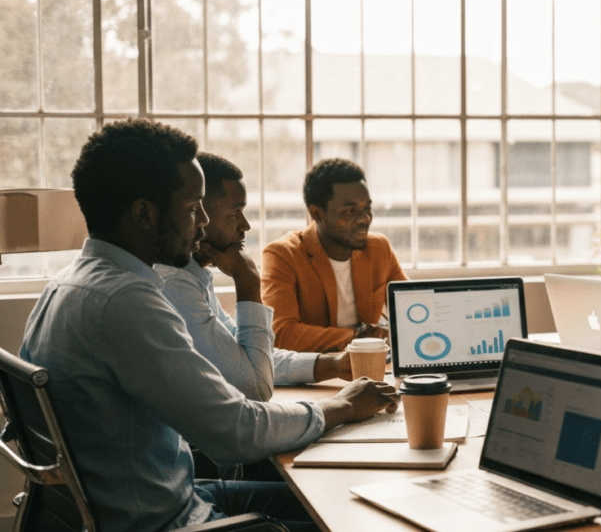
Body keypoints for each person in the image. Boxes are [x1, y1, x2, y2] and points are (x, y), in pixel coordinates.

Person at [20, 119, 399, 532]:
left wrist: (329, 373)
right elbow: (236, 433)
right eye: (192, 207)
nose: (202, 222)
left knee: (344, 498)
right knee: (366, 522)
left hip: (177, 494)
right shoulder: (128, 302)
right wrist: (340, 406)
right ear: (145, 213)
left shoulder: (69, 282)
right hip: (175, 522)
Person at [158, 152, 353, 404]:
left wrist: (333, 364)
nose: (245, 225)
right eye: (234, 213)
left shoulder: (194, 276)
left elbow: (250, 358)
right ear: (199, 215)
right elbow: (255, 386)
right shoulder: (174, 286)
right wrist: (247, 281)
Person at [261, 158, 407, 352]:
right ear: (317, 214)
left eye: (367, 208)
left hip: (370, 365)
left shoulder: (379, 248)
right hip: (315, 373)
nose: (364, 219)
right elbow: (282, 334)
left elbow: (412, 305)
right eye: (350, 211)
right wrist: (360, 338)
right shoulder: (282, 255)